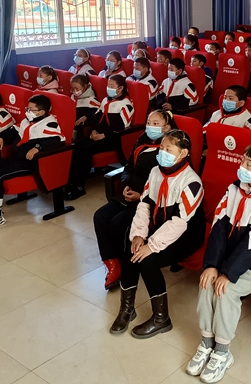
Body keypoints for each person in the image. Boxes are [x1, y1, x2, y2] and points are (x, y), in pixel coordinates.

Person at [189, 145, 251, 382]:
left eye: (249, 165)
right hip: (230, 257)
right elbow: (219, 227)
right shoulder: (234, 189)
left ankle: (222, 352)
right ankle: (206, 343)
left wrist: (228, 274)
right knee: (207, 281)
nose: (242, 167)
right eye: (243, 161)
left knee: (226, 290)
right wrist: (212, 265)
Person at [111, 130, 206, 337]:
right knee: (131, 247)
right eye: (161, 148)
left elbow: (179, 223)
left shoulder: (192, 182)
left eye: (168, 149)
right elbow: (145, 204)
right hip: (161, 226)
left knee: (148, 260)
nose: (162, 152)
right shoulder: (156, 171)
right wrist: (139, 234)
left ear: (183, 153)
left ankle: (161, 318)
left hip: (186, 234)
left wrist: (151, 245)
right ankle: (127, 308)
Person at [94, 110, 178, 290]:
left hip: (149, 201)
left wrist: (141, 196)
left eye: (156, 124)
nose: (150, 127)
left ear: (166, 128)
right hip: (130, 192)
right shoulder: (142, 140)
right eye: (149, 122)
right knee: (100, 216)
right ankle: (112, 263)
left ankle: (126, 264)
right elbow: (129, 166)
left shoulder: (170, 150)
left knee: (118, 223)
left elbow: (169, 183)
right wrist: (126, 184)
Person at [0, 94, 65, 231]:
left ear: (41, 112)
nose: (27, 111)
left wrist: (38, 147)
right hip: (16, 158)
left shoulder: (49, 124)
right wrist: (1, 138)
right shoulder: (27, 121)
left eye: (30, 109)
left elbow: (58, 140)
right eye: (27, 108)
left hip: (30, 164)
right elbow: (13, 131)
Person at [64, 74, 135, 200]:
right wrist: (94, 130)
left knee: (86, 150)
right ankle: (70, 182)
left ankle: (79, 186)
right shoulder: (106, 100)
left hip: (113, 138)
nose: (108, 88)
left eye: (112, 86)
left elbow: (122, 128)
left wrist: (104, 135)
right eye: (108, 85)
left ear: (120, 88)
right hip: (99, 134)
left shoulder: (126, 105)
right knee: (77, 146)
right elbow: (97, 117)